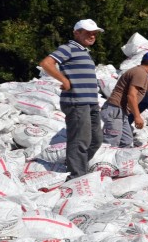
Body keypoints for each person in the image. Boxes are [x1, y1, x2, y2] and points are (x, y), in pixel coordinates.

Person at [39, 19, 104, 179]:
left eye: (94, 33)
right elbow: (47, 63)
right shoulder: (69, 48)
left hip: (90, 103)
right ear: (77, 33)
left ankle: (75, 166)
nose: (92, 36)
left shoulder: (84, 52)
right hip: (76, 101)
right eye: (88, 32)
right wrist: (64, 80)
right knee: (80, 140)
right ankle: (76, 175)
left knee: (96, 139)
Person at [101, 52, 148, 147]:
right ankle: (102, 161)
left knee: (126, 141)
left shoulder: (142, 73)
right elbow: (131, 96)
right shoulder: (140, 73)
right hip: (115, 110)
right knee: (111, 142)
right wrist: (137, 116)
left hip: (121, 112)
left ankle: (117, 161)